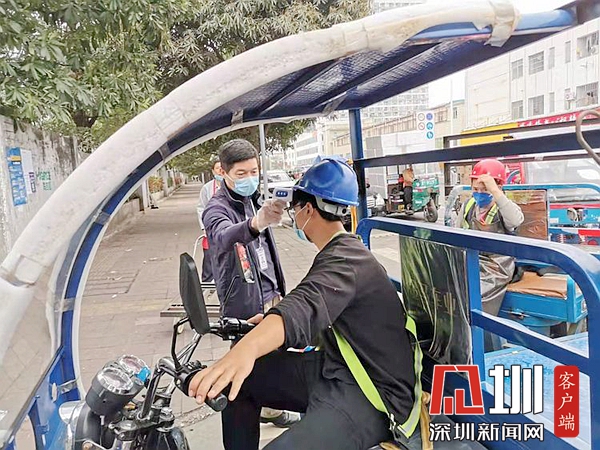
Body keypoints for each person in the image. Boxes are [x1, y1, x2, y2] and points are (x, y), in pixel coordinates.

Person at [190, 158, 423, 450]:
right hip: (337, 367)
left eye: (295, 208)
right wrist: (267, 327)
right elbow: (320, 313)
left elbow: (302, 306)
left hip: (372, 392)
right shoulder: (340, 251)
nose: (293, 215)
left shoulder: (347, 260)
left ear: (308, 210)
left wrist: (245, 350)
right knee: (240, 382)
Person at [202, 139, 298, 428]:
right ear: (223, 172)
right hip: (245, 301)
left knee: (273, 355)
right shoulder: (216, 208)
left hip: (271, 292)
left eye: (253, 171)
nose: (249, 178)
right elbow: (223, 236)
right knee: (248, 361)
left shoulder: (254, 200)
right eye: (241, 173)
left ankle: (270, 409)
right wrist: (255, 223)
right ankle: (251, 411)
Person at [455, 159, 524, 350]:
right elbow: (456, 232)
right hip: (471, 259)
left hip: (496, 266)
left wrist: (495, 191)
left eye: (484, 190)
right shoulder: (469, 205)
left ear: (499, 186)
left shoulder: (504, 208)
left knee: (473, 296)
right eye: (475, 189)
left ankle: (477, 346)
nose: (479, 194)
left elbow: (516, 221)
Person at [197, 160, 224, 282]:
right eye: (217, 168)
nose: (220, 170)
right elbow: (201, 208)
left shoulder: (233, 186)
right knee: (209, 262)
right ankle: (207, 286)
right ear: (213, 171)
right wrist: (204, 227)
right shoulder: (207, 188)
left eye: (222, 167)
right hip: (211, 230)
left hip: (228, 229)